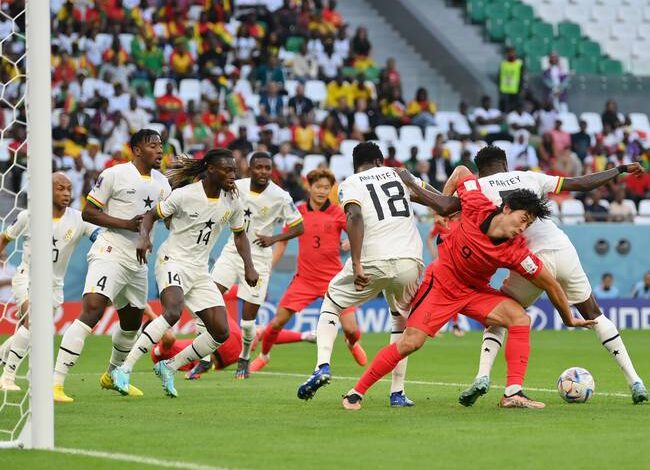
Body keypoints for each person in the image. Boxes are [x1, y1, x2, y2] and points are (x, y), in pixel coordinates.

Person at [342, 165, 595, 411]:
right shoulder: (475, 204)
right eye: (523, 219)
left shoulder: (516, 252)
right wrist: (442, 205)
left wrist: (568, 318)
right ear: (506, 208)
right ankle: (357, 392)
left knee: (519, 318)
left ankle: (513, 393)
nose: (522, 228)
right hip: (441, 284)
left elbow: (550, 282)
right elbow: (462, 170)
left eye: (528, 225)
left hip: (474, 292)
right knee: (411, 342)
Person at [456, 146, 647, 405]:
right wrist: (620, 169)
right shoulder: (529, 177)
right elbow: (582, 184)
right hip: (562, 247)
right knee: (593, 313)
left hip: (529, 260)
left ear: (480, 170)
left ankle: (482, 376)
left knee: (501, 317)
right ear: (505, 163)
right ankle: (635, 381)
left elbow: (449, 207)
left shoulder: (478, 189)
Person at [111, 150, 259, 398]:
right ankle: (124, 369)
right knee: (172, 312)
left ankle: (169, 366)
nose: (233, 175)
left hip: (199, 271)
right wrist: (144, 238)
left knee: (221, 332)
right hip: (172, 261)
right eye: (227, 170)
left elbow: (240, 234)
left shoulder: (232, 201)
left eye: (234, 170)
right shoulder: (184, 195)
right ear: (211, 169)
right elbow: (151, 215)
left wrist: (249, 265)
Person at [297, 142, 424, 406]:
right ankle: (397, 392)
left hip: (373, 258)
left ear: (356, 164)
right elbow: (438, 201)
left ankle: (322, 365)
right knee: (401, 323)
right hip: (410, 260)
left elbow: (354, 215)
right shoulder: (399, 174)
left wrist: (356, 263)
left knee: (332, 303)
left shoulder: (351, 183)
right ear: (380, 160)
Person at [52, 129, 171, 403]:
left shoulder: (164, 184)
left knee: (131, 324)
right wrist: (127, 224)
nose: (159, 150)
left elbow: (162, 217)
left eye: (161, 146)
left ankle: (112, 376)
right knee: (93, 309)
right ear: (137, 149)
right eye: (153, 146)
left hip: (138, 260)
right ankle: (55, 382)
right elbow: (89, 212)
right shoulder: (115, 174)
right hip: (110, 251)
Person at [249, 169, 367, 374]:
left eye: (326, 188)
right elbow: (283, 242)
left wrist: (350, 241)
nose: (322, 191)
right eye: (318, 187)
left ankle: (351, 343)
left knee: (351, 329)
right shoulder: (298, 212)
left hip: (333, 279)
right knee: (277, 322)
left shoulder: (338, 212)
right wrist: (268, 268)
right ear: (309, 187)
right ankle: (264, 356)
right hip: (304, 279)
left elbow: (358, 231)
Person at [0, 173, 99, 391]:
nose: (66, 193)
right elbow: (6, 237)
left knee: (34, 330)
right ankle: (7, 377)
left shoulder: (79, 218)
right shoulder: (29, 216)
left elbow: (98, 235)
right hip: (27, 277)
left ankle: (2, 357)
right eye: (60, 188)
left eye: (69, 189)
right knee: (33, 323)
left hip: (54, 285)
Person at [211, 152, 304, 379]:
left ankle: (244, 357)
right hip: (232, 252)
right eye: (259, 167)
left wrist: (274, 239)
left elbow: (299, 227)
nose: (263, 172)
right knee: (209, 298)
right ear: (249, 169)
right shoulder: (236, 187)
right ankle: (205, 357)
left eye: (267, 168)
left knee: (247, 322)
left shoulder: (280, 196)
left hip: (259, 260)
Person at [498, 47, 523, 113]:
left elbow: (521, 77)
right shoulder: (503, 64)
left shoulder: (519, 64)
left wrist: (521, 89)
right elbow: (499, 77)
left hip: (515, 91)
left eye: (512, 52)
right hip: (504, 90)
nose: (511, 54)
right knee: (505, 110)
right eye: (509, 53)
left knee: (514, 110)